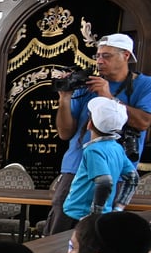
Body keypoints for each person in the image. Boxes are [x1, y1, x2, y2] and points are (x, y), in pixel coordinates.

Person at [47, 33, 151, 235]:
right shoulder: (87, 85)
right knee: (61, 221)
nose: (99, 61)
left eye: (107, 56)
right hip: (76, 166)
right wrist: (65, 98)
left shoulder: (145, 85)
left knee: (101, 230)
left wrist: (108, 96)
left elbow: (144, 122)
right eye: (98, 56)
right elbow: (65, 132)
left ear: (126, 56)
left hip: (116, 167)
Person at [57, 98, 135, 230]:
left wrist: (95, 215)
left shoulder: (93, 150)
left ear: (89, 124)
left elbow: (104, 182)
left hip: (78, 215)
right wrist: (118, 208)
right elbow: (133, 178)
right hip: (99, 214)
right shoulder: (116, 148)